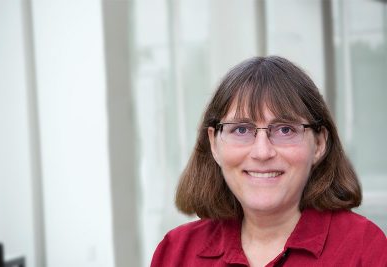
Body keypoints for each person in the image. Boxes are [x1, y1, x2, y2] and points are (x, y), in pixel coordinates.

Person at [151, 56, 387, 267]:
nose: (262, 152)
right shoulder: (176, 253)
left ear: (319, 144)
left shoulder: (365, 249)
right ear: (214, 143)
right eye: (241, 129)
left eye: (285, 130)